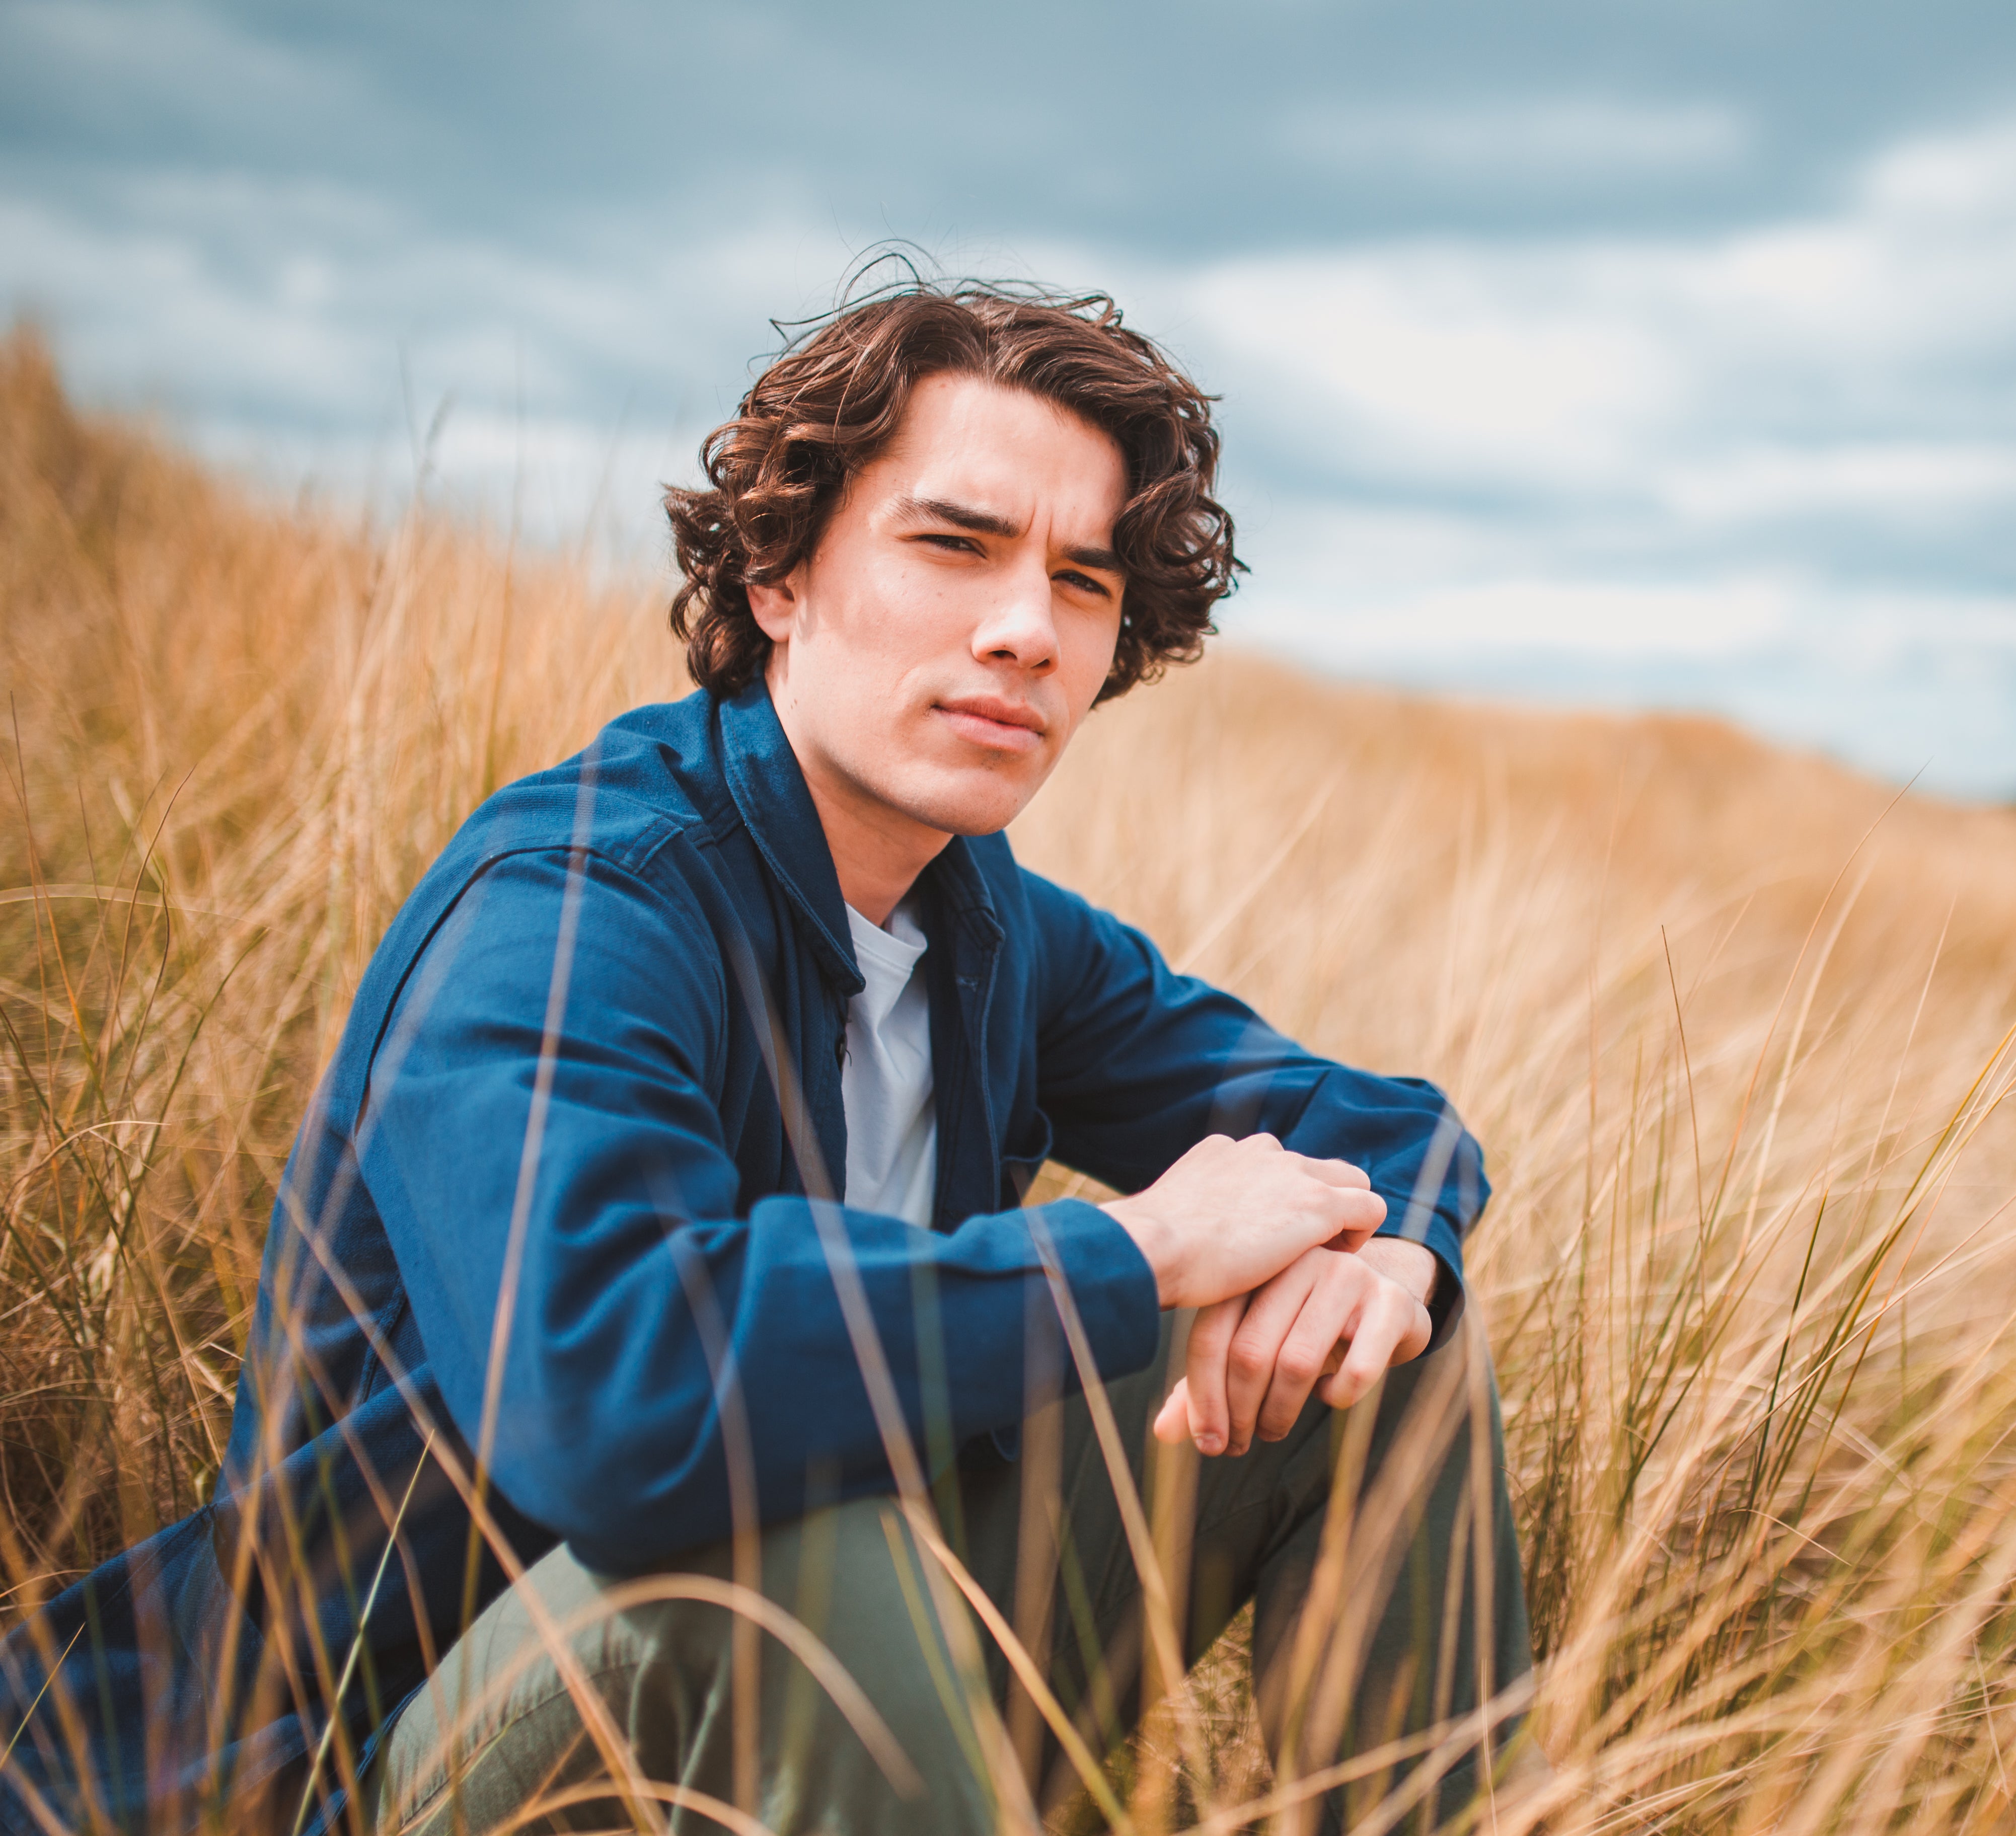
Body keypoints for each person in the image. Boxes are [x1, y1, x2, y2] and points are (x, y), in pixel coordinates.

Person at [0, 279, 1537, 1835]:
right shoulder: (572, 904)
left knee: (1381, 1345)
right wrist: (1130, 1253)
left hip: (852, 1700)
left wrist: (1388, 1253)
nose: (1027, 628)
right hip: (374, 1767)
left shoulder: (988, 928)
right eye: (956, 544)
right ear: (780, 572)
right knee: (792, 1552)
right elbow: (614, 1395)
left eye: (1083, 580)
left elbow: (1377, 1128)